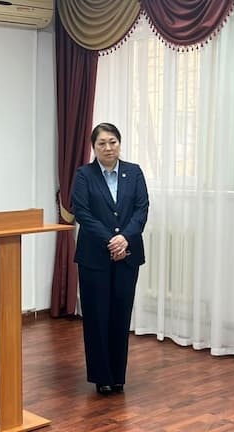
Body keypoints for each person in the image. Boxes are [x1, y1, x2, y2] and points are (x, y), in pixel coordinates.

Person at [71, 122, 149, 396]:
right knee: (97, 316)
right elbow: (82, 212)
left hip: (128, 255)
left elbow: (141, 208)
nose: (108, 148)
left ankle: (118, 376)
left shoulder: (134, 172)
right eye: (101, 143)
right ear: (94, 147)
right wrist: (112, 240)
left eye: (112, 142)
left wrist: (125, 238)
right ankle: (101, 376)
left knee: (120, 314)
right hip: (94, 257)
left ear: (120, 143)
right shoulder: (84, 175)